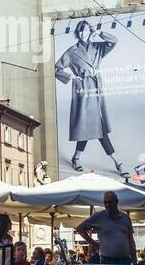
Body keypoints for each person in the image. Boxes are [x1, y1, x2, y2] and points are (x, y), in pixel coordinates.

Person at [54, 19, 126, 175]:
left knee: (88, 126)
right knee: (92, 126)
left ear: (90, 31)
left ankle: (76, 157)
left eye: (86, 30)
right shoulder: (72, 52)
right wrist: (71, 78)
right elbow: (57, 68)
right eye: (80, 30)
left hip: (97, 88)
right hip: (84, 90)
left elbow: (114, 41)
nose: (83, 33)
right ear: (77, 33)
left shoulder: (97, 46)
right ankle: (118, 163)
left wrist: (100, 33)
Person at [75, 190, 136, 265]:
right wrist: (94, 243)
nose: (107, 205)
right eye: (105, 202)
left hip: (125, 260)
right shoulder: (98, 216)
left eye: (110, 202)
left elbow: (131, 240)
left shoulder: (126, 218)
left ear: (116, 202)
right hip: (107, 261)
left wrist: (135, 261)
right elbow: (79, 228)